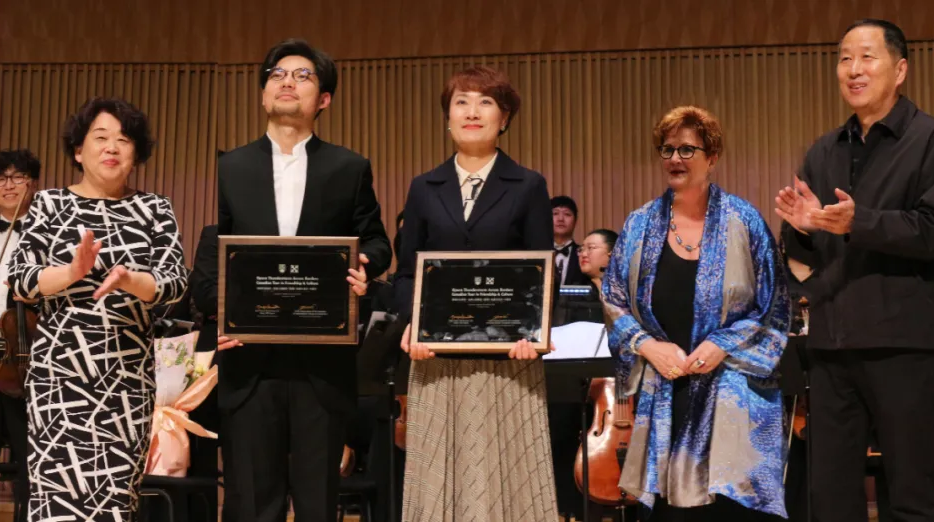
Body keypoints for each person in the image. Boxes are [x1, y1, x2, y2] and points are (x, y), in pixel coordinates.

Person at [216, 38, 392, 522]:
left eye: (302, 75)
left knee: (318, 499)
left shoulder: (349, 167)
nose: (287, 81)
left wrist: (366, 270)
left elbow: (376, 242)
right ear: (263, 95)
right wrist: (217, 314)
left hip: (323, 357)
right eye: (276, 74)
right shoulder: (231, 166)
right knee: (251, 499)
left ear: (325, 100)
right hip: (249, 359)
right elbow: (218, 250)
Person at [774, 19, 934, 522]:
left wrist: (857, 223)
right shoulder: (825, 149)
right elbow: (810, 246)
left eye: (867, 57)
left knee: (913, 493)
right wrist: (802, 229)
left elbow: (930, 229)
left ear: (900, 68)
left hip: (905, 346)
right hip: (831, 345)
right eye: (844, 58)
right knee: (830, 496)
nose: (853, 69)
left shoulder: (928, 139)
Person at [604, 105, 789, 521]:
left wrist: (722, 344)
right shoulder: (639, 224)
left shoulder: (745, 222)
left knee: (729, 508)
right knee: (672, 512)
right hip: (665, 386)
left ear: (713, 157)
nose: (675, 159)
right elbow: (613, 298)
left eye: (688, 150)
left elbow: (774, 305)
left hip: (731, 387)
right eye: (667, 149)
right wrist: (647, 346)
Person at [7, 97, 188, 521]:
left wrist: (130, 280)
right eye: (100, 138)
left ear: (136, 154)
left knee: (114, 501)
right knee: (56, 500)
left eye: (124, 140)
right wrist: (72, 272)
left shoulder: (155, 209)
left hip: (125, 381)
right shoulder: (50, 204)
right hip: (59, 378)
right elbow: (21, 279)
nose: (112, 148)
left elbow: (174, 283)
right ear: (77, 150)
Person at [395, 65, 558, 522]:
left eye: (485, 102)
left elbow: (541, 271)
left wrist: (536, 333)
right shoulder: (423, 188)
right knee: (438, 484)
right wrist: (413, 325)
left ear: (504, 118)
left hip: (510, 360)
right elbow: (407, 273)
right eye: (461, 102)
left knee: (511, 482)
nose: (472, 112)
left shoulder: (528, 185)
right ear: (447, 118)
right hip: (437, 360)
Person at [0, 148, 40, 522]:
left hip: (23, 357)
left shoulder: (44, 233)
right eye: (2, 177)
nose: (8, 185)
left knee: (28, 448)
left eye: (18, 177)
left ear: (33, 184)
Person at [553, 196, 588, 286]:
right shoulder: (538, 254)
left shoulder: (585, 255)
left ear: (575, 221)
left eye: (567, 214)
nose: (560, 219)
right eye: (555, 213)